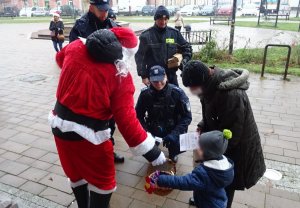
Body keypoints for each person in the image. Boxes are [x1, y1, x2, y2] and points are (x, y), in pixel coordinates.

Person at [49, 27, 166, 208]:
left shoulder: (75, 46)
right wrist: (153, 153)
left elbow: (59, 59)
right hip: (89, 136)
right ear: (125, 53)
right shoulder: (120, 76)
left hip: (58, 126)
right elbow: (127, 122)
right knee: (103, 181)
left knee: (75, 172)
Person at [182, 61, 266, 208]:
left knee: (225, 180)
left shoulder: (231, 95)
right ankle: (205, 199)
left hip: (235, 148)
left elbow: (232, 135)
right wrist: (202, 126)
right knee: (211, 174)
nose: (193, 92)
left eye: (193, 88)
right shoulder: (208, 87)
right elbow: (213, 114)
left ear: (204, 80)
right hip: (218, 141)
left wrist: (208, 149)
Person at [69, 0, 124, 163]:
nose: (104, 13)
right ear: (91, 7)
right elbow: (73, 55)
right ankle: (90, 153)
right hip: (88, 83)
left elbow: (119, 51)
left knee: (109, 120)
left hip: (108, 83)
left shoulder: (112, 24)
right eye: (101, 10)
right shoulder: (81, 26)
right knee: (89, 120)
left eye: (106, 10)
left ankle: (109, 150)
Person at [157, 130, 234, 208]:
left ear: (208, 153)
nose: (196, 148)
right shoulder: (221, 166)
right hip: (217, 201)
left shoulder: (205, 175)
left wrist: (162, 179)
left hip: (208, 205)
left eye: (199, 147)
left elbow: (185, 182)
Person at [135, 65, 192, 163]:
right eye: (155, 81)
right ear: (149, 80)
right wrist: (146, 133)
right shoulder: (145, 94)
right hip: (153, 126)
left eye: (161, 79)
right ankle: (153, 151)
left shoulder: (177, 93)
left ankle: (173, 152)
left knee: (176, 141)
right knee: (145, 145)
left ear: (165, 76)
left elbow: (187, 117)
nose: (158, 84)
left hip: (173, 126)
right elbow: (138, 116)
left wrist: (174, 134)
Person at [135, 5, 192, 87]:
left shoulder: (174, 33)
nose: (163, 22)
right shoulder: (146, 36)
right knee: (155, 99)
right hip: (155, 77)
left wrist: (184, 62)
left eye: (165, 19)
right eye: (160, 19)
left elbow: (187, 48)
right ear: (155, 19)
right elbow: (140, 57)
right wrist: (143, 76)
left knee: (175, 98)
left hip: (171, 76)